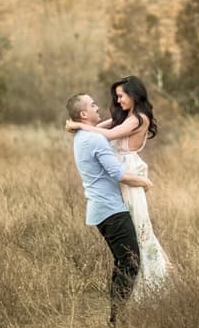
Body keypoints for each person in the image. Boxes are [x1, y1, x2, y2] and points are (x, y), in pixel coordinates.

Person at [66, 76, 170, 299]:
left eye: (121, 95)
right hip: (119, 177)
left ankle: (153, 286)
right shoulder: (124, 117)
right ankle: (134, 294)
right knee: (132, 234)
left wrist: (77, 124)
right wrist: (82, 126)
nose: (117, 99)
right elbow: (99, 128)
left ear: (133, 95)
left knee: (140, 229)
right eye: (117, 96)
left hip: (126, 172)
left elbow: (110, 135)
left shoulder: (139, 118)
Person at [66, 92, 153, 328]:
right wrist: (144, 182)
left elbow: (111, 126)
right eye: (92, 105)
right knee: (130, 263)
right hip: (110, 210)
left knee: (123, 262)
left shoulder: (84, 136)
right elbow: (118, 175)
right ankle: (118, 319)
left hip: (102, 209)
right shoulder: (93, 140)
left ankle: (118, 317)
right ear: (84, 114)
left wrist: (74, 124)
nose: (97, 107)